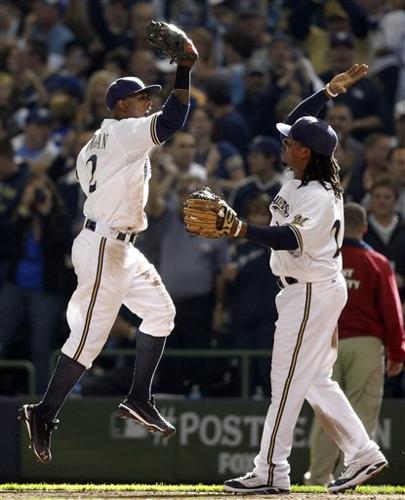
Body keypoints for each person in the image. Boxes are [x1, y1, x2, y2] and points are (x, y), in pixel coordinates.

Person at [183, 64, 387, 494]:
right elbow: (298, 118)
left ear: (306, 152)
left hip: (310, 292)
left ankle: (271, 470)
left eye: (292, 140)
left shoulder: (317, 195)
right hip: (307, 291)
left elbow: (286, 236)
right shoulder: (300, 177)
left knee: (287, 383)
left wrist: (240, 230)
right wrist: (328, 92)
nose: (285, 141)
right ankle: (364, 454)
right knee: (314, 381)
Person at [18, 32, 198, 463]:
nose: (148, 102)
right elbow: (173, 120)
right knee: (89, 338)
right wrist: (185, 70)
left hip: (116, 244)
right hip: (104, 245)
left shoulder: (91, 147)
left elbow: (98, 184)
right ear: (120, 106)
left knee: (161, 313)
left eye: (148, 97)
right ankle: (43, 412)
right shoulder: (126, 132)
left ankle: (138, 397)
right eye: (141, 98)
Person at [304, 202, 405, 486]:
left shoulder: (321, 259)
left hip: (325, 342)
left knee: (328, 413)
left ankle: (318, 477)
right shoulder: (377, 262)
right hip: (366, 345)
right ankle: (355, 475)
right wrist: (397, 351)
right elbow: (392, 311)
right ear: (364, 227)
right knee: (362, 412)